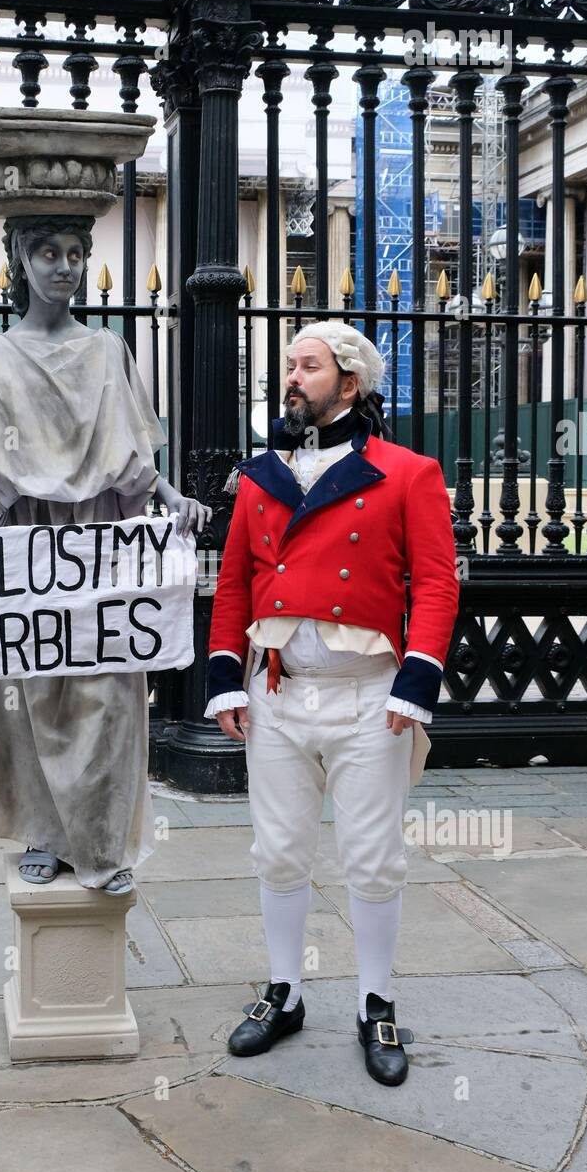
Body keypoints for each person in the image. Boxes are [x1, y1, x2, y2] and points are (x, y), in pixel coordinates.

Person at [0, 216, 210, 895]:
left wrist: (175, 497)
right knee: (28, 696)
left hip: (94, 547)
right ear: (21, 260)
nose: (63, 267)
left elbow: (134, 458)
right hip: (24, 549)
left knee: (107, 696)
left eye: (74, 254)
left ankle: (97, 842)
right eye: (47, 252)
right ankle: (43, 828)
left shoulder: (108, 351)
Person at [204, 321, 459, 1084]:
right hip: (277, 694)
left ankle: (375, 1003)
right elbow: (234, 586)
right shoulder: (258, 477)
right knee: (278, 850)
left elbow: (439, 584)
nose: (291, 377)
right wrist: (224, 676)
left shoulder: (407, 473)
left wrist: (417, 685)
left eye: (307, 365)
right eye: (288, 364)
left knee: (373, 859)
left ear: (349, 383)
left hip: (368, 698)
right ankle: (284, 993)